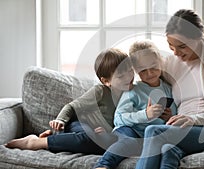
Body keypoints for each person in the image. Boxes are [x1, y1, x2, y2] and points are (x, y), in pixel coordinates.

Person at [135, 9, 204, 169]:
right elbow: (147, 77)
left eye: (182, 46)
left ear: (199, 37)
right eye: (171, 47)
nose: (176, 53)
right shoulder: (171, 64)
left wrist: (193, 119)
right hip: (180, 129)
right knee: (168, 150)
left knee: (154, 132)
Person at [5, 48, 135, 154]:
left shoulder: (135, 92)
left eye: (130, 71)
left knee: (106, 145)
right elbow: (72, 107)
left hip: (102, 134)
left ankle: (54, 137)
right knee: (92, 139)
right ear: (106, 81)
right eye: (121, 76)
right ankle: (35, 142)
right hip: (82, 124)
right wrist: (60, 120)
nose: (129, 77)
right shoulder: (100, 91)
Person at [94, 40, 177, 169]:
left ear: (160, 62)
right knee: (129, 142)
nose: (150, 74)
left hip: (150, 137)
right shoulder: (133, 90)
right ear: (136, 71)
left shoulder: (168, 88)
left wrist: (169, 117)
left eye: (154, 67)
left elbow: (174, 113)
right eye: (143, 71)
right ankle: (103, 165)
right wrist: (145, 115)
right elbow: (119, 118)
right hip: (129, 130)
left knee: (166, 147)